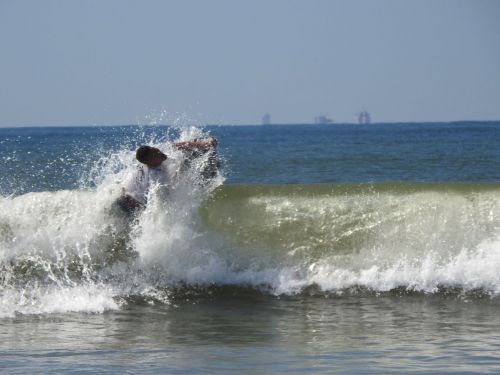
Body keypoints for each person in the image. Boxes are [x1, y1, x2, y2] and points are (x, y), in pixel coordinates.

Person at [116, 137, 218, 214]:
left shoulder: (159, 153)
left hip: (130, 191)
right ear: (149, 162)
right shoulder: (153, 178)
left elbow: (177, 146)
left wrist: (204, 143)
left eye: (155, 149)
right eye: (154, 155)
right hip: (129, 202)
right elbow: (156, 204)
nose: (159, 152)